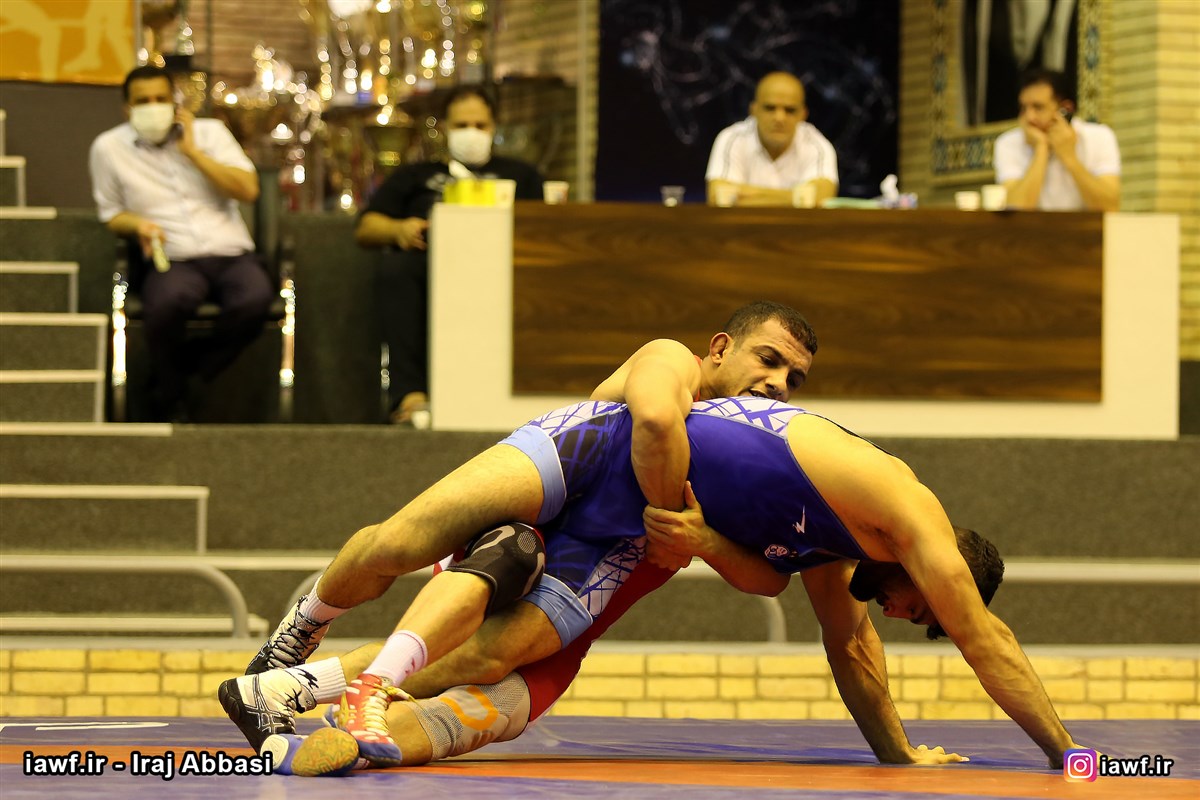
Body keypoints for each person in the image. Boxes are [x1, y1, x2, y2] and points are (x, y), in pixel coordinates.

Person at [269, 394, 1081, 775]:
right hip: (591, 463)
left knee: (504, 670)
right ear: (940, 574)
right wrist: (1071, 757)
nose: (903, 614)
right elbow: (988, 642)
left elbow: (853, 651)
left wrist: (898, 754)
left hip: (621, 536)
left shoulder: (836, 553)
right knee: (405, 544)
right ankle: (300, 647)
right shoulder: (906, 510)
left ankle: (298, 707)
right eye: (922, 609)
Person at [220, 302, 817, 751]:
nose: (778, 384)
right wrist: (671, 519)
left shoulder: (750, 458)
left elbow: (768, 580)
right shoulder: (675, 360)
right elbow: (658, 419)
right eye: (769, 360)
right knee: (400, 543)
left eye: (794, 379)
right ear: (720, 348)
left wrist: (704, 540)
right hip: (572, 464)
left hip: (601, 545)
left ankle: (310, 693)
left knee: (485, 658)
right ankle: (302, 630)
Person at [89, 65, 273, 422]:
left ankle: (184, 371)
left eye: (161, 98)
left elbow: (248, 190)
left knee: (254, 300)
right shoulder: (108, 148)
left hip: (231, 253)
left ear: (176, 103)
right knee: (167, 303)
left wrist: (193, 153)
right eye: (143, 101)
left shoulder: (210, 133)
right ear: (127, 109)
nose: (153, 106)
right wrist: (138, 224)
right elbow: (111, 214)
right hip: (172, 257)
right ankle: (170, 400)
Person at [354, 86, 544, 425]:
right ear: (444, 128)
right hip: (427, 265)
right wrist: (398, 229)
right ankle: (410, 395)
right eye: (461, 125)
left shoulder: (522, 176)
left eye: (480, 125)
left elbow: (543, 228)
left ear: (494, 127)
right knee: (397, 271)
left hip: (504, 268)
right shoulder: (415, 176)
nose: (471, 133)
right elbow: (367, 227)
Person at [993, 69, 1120, 211]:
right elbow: (1015, 210)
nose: (1029, 117)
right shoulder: (1008, 143)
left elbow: (1109, 207)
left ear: (1065, 109)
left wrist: (1069, 156)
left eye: (1038, 107)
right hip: (1032, 226)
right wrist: (1041, 149)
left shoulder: (1099, 136)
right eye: (1023, 108)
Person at [705, 72, 838, 208]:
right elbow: (717, 198)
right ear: (753, 110)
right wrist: (798, 198)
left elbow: (821, 200)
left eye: (790, 110)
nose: (779, 118)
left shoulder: (818, 146)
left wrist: (740, 195)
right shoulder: (732, 139)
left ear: (803, 114)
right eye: (770, 108)